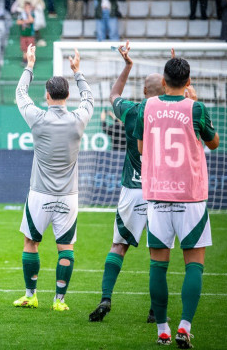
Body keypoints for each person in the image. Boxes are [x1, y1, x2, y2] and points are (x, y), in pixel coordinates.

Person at [134, 57, 220, 347]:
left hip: (157, 194)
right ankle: (184, 325)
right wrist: (192, 99)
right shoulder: (195, 107)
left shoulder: (147, 107)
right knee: (194, 264)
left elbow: (142, 146)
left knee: (158, 266)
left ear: (164, 81)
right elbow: (214, 142)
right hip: (190, 196)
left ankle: (162, 329)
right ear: (188, 81)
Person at [13, 45, 94, 311]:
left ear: (47, 96)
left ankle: (30, 294)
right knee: (66, 247)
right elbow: (89, 99)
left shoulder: (37, 119)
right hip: (68, 195)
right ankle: (59, 300)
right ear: (67, 95)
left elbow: (20, 93)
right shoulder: (78, 120)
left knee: (30, 242)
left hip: (39, 193)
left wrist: (30, 65)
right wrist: (78, 72)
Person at [89, 41, 164, 323]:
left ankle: (106, 297)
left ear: (144, 91)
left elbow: (113, 94)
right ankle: (156, 309)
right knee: (160, 253)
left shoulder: (133, 111)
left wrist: (127, 66)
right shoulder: (174, 114)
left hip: (133, 189)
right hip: (163, 191)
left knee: (118, 245)